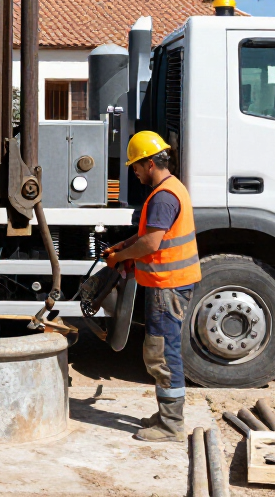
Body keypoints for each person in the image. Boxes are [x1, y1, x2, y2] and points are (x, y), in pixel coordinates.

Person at [102, 131, 201, 443]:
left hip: (166, 286)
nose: (134, 172)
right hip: (169, 284)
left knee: (163, 354)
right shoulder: (171, 188)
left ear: (149, 164)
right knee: (162, 350)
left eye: (135, 166)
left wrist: (121, 256)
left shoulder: (162, 197)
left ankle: (171, 425)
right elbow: (148, 234)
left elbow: (151, 243)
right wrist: (124, 245)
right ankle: (166, 416)